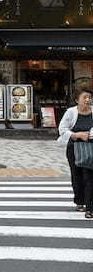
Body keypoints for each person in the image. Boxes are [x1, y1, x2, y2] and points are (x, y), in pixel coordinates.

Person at [57, 89, 93, 218]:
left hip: (91, 147)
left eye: (89, 97)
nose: (88, 100)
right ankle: (80, 201)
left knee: (89, 176)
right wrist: (77, 135)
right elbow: (62, 129)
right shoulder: (71, 112)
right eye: (85, 97)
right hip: (74, 148)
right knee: (77, 175)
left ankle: (89, 204)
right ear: (77, 100)